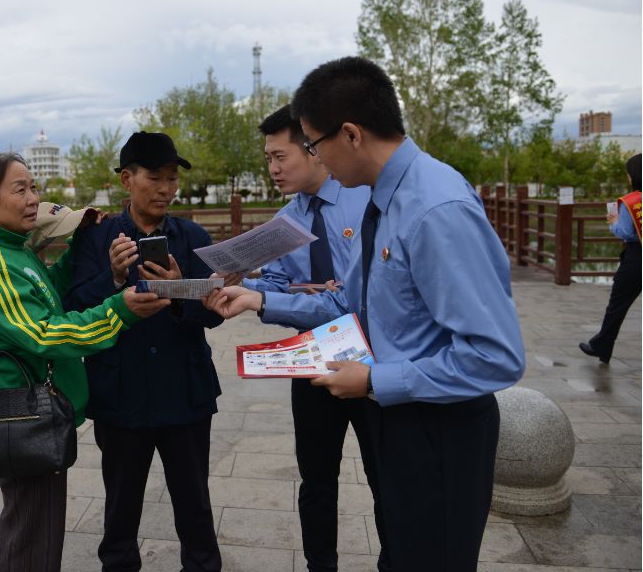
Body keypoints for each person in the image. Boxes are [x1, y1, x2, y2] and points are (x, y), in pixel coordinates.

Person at [204, 57, 525, 572]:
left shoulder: (433, 208)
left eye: (313, 144)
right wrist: (260, 300)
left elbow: (495, 357)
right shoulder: (384, 201)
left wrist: (375, 380)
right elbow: (344, 304)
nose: (314, 157)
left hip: (438, 429)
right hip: (399, 416)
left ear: (350, 135)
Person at [0, 152, 170, 572]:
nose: (34, 198)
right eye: (20, 189)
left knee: (37, 529)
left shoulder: (12, 247)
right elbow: (43, 333)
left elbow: (46, 292)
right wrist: (119, 311)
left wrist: (80, 256)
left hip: (37, 412)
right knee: (31, 538)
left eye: (34, 187)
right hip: (23, 415)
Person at [64, 131, 224, 572]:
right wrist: (114, 279)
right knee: (121, 503)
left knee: (195, 502)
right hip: (120, 392)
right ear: (126, 180)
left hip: (185, 391)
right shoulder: (96, 239)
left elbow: (214, 314)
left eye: (172, 179)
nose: (166, 189)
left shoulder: (192, 236)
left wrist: (177, 294)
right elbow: (74, 308)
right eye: (155, 177)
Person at [239, 105, 386, 572]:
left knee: (388, 478)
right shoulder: (288, 220)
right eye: (267, 159)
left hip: (375, 364)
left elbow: (351, 301)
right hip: (313, 363)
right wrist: (237, 288)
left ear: (314, 148)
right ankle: (320, 564)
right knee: (316, 480)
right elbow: (278, 283)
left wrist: (261, 301)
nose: (273, 168)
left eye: (280, 156)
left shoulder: (366, 201)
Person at [580, 153, 642, 364]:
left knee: (618, 304)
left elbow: (626, 233)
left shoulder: (633, 201)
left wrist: (614, 221)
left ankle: (602, 346)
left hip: (636, 258)